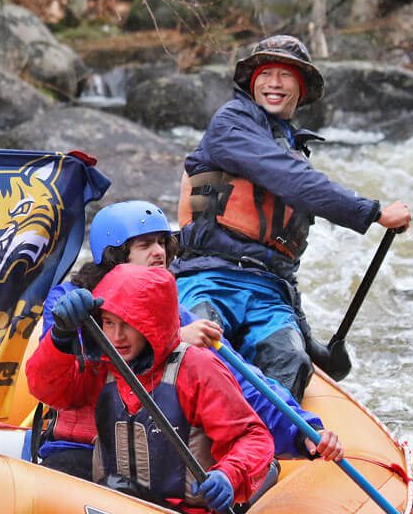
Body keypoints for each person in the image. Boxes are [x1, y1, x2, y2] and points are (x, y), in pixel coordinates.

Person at [32, 200, 342, 481]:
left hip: (150, 464)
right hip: (81, 450)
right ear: (113, 254)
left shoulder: (176, 315)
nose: (160, 252)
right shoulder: (70, 303)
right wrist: (173, 340)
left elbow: (241, 383)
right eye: (145, 244)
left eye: (161, 242)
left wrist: (302, 430)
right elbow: (64, 382)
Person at [174, 34, 411, 400]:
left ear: (301, 88)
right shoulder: (231, 124)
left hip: (269, 292)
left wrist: (313, 347)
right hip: (207, 275)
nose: (273, 83)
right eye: (266, 73)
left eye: (285, 75)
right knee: (202, 350)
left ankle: (267, 449)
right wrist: (373, 212)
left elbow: (285, 265)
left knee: (291, 360)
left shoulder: (295, 151)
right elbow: (289, 178)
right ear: (251, 82)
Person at [27, 263, 275, 514]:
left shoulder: (197, 368)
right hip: (115, 505)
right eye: (108, 322)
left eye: (128, 325)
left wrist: (228, 475)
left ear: (151, 323)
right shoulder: (104, 367)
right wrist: (60, 339)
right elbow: (47, 388)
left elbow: (251, 436)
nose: (117, 336)